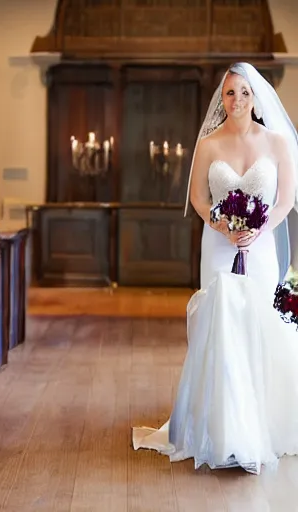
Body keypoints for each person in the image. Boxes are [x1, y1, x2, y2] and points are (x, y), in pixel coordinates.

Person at [132, 62, 298, 475]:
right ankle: (223, 431)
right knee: (221, 324)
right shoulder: (208, 144)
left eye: (244, 92)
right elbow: (199, 199)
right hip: (220, 245)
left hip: (259, 249)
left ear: (256, 97)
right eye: (229, 93)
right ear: (220, 100)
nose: (237, 100)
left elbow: (283, 203)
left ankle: (258, 426)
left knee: (256, 325)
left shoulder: (277, 142)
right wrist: (221, 224)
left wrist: (256, 233)